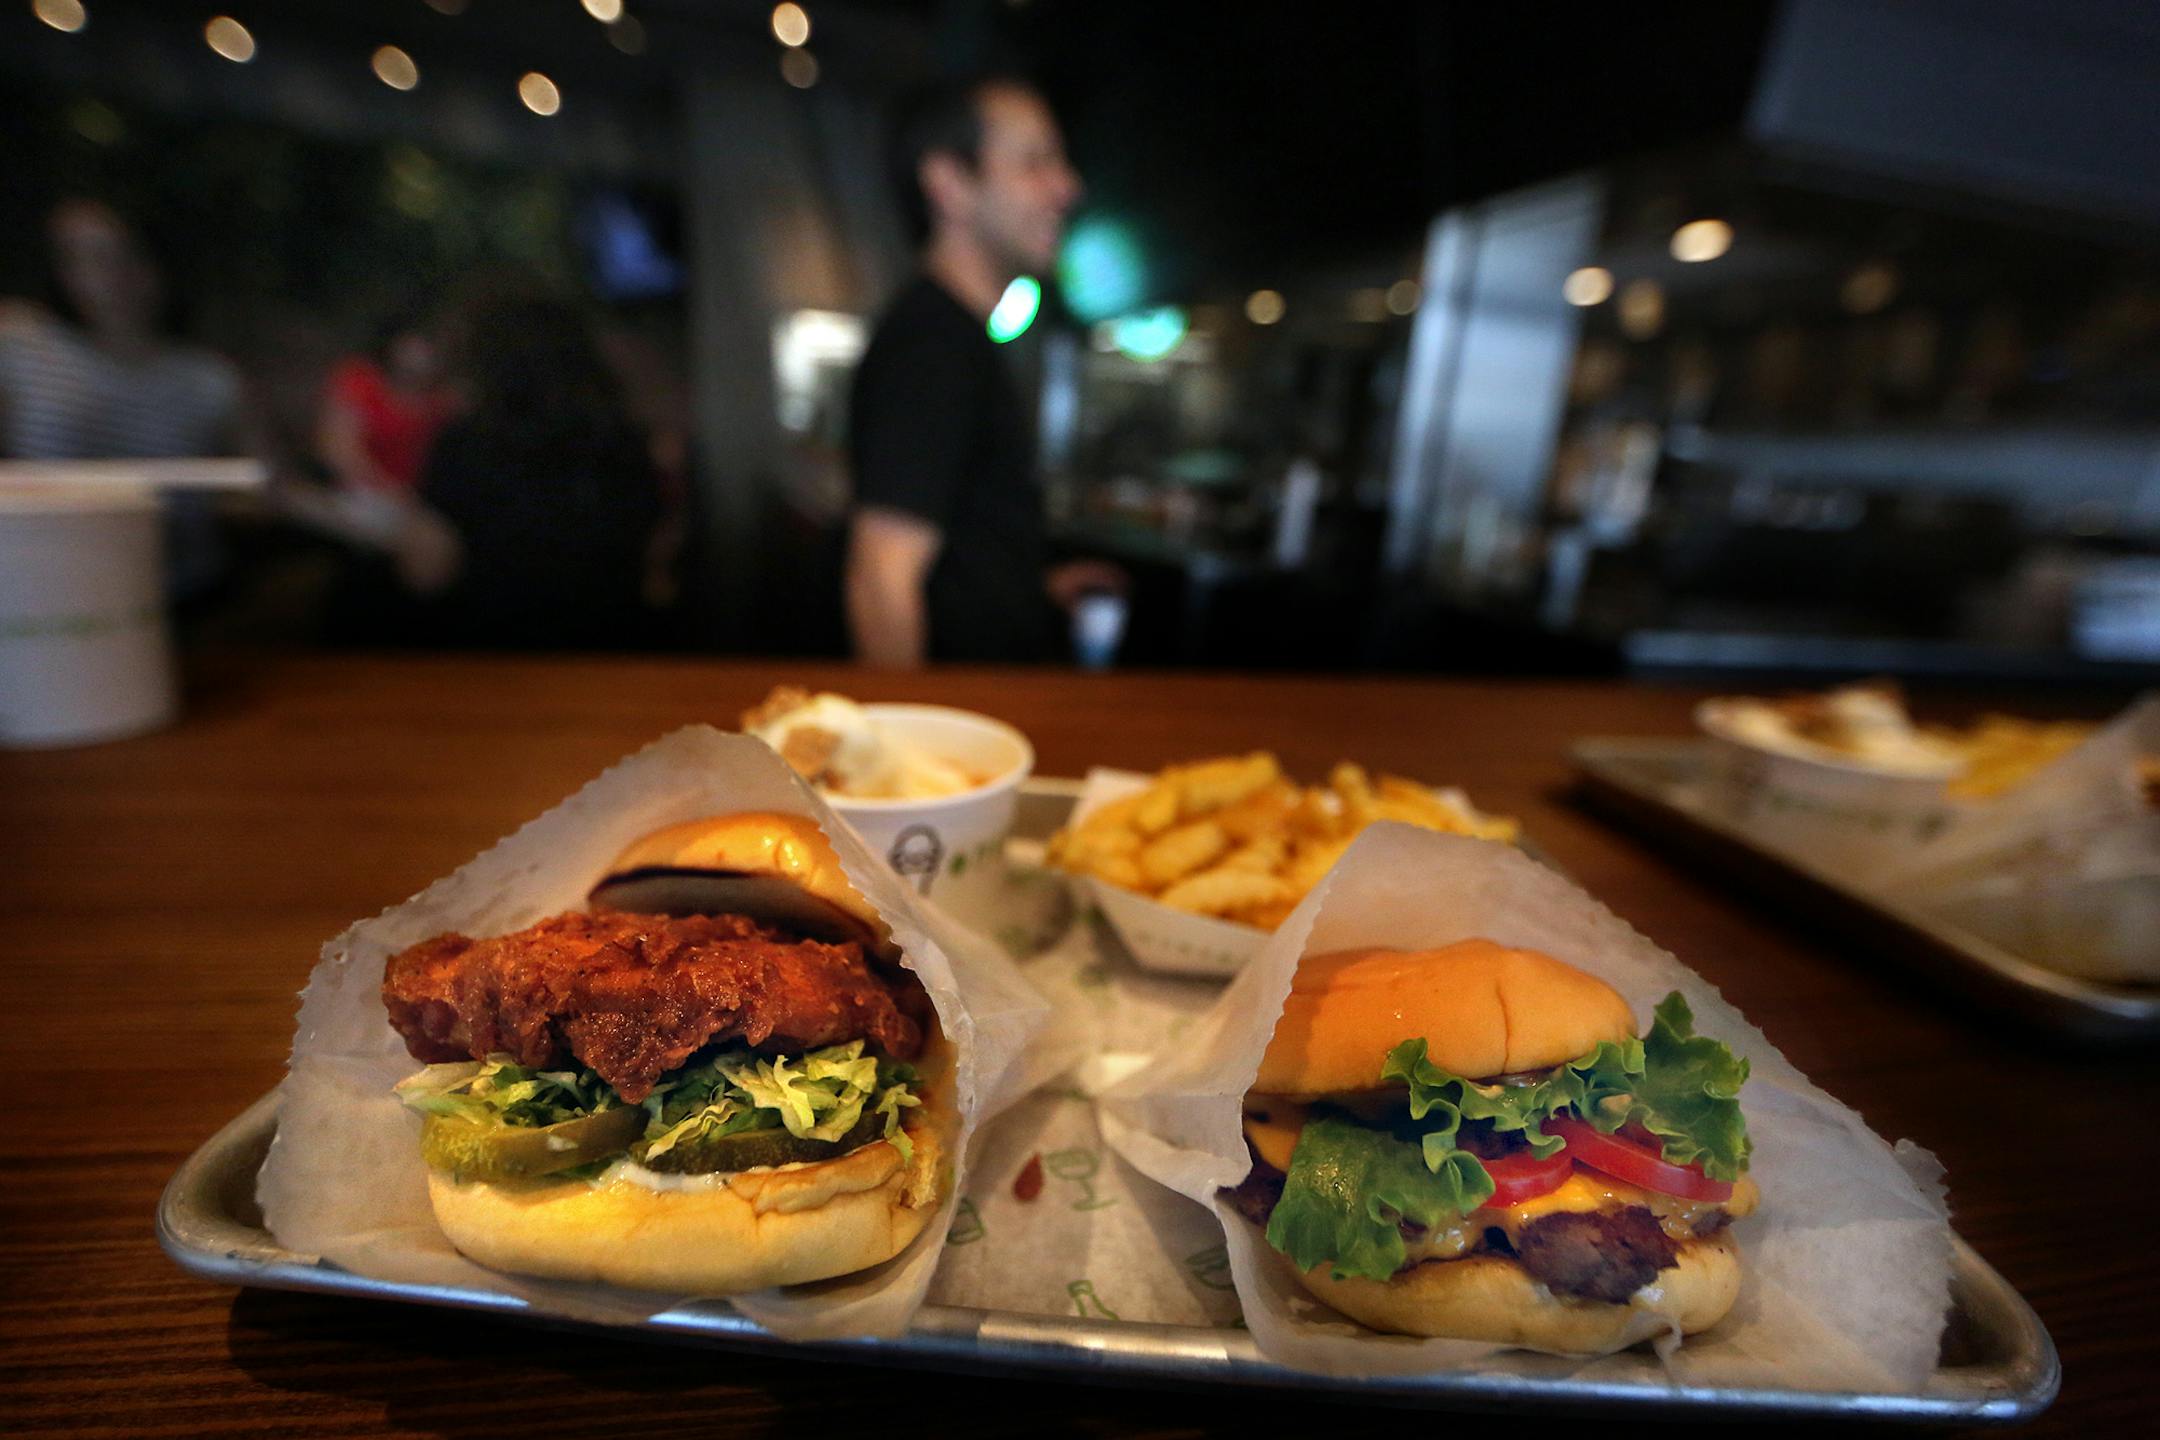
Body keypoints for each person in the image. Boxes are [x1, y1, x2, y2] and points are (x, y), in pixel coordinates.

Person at [845, 77, 1120, 666]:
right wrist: (907, 751)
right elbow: (880, 584)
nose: (1067, 187)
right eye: (1035, 162)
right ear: (949, 184)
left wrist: (1029, 592)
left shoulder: (955, 335)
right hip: (963, 742)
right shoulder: (931, 344)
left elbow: (948, 559)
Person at [0, 199, 249, 598]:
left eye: (124, 254)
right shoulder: (19, 342)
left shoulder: (209, 378)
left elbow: (274, 486)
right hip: (41, 583)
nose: (110, 275)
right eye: (82, 258)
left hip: (177, 595)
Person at [408, 285, 665, 650]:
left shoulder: (464, 444)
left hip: (491, 662)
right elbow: (650, 558)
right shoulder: (621, 440)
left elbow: (425, 575)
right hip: (611, 652)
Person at [317, 306, 451, 496]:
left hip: (399, 502)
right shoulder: (360, 380)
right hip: (343, 490)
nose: (424, 355)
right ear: (396, 341)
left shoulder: (438, 402)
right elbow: (336, 449)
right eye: (418, 343)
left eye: (434, 347)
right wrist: (384, 488)